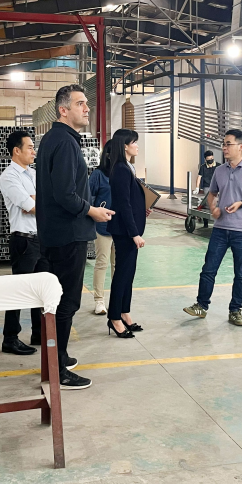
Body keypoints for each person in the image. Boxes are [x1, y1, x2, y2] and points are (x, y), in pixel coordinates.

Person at [36, 84, 115, 389]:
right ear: (63, 110)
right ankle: (58, 369)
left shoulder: (54, 139)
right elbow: (66, 195)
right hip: (68, 235)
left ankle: (58, 355)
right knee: (66, 302)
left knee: (58, 301)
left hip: (56, 234)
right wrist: (92, 210)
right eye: (80, 103)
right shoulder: (65, 143)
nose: (87, 108)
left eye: (86, 103)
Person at [183, 130, 242, 327]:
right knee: (209, 268)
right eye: (223, 144)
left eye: (228, 144)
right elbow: (212, 193)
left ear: (241, 147)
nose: (224, 148)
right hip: (221, 229)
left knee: (241, 273)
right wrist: (213, 207)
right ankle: (201, 306)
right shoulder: (220, 171)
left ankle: (235, 310)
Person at [0, 130, 46, 355]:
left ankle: (39, 332)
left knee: (40, 289)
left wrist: (36, 201)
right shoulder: (9, 177)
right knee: (18, 291)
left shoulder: (33, 174)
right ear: (16, 150)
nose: (33, 152)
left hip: (40, 239)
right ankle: (10, 338)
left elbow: (44, 201)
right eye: (30, 148)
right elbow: (32, 206)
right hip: (24, 241)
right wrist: (35, 201)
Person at [106, 128, 148, 338]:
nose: (137, 146)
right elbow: (123, 204)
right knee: (122, 274)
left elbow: (131, 199)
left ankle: (124, 312)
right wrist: (134, 233)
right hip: (124, 232)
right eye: (134, 142)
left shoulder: (127, 167)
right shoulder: (121, 169)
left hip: (129, 230)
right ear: (125, 146)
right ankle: (114, 317)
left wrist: (142, 207)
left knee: (128, 273)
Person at [88, 140, 116, 315]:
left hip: (121, 227)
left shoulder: (126, 172)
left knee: (118, 265)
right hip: (103, 227)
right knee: (102, 262)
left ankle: (117, 300)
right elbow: (88, 198)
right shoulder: (98, 175)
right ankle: (99, 300)